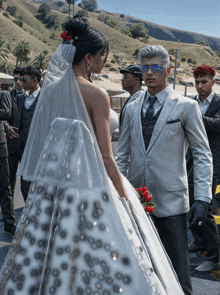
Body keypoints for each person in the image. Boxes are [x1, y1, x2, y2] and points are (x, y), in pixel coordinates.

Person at [0, 16, 184, 295]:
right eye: (103, 56)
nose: (103, 61)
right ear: (88, 58)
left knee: (51, 251)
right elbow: (106, 156)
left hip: (54, 188)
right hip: (89, 183)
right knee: (98, 251)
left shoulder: (49, 91)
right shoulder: (97, 95)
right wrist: (124, 195)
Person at [116, 45, 213, 295]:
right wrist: (117, 191)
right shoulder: (132, 106)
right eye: (145, 68)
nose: (149, 73)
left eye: (156, 68)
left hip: (171, 202)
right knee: (141, 269)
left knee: (179, 274)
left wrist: (202, 197)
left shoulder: (185, 106)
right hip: (136, 202)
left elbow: (202, 154)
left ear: (168, 70)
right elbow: (122, 153)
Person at [187, 65, 220, 273]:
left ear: (213, 82)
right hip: (191, 159)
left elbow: (217, 125)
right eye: (197, 82)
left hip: (213, 161)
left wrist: (191, 116)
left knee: (204, 205)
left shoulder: (217, 103)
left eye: (204, 82)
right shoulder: (191, 103)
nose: (200, 86)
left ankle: (214, 256)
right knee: (190, 200)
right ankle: (199, 240)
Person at [16, 66, 41, 202]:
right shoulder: (20, 98)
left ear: (35, 80)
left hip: (40, 148)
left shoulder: (45, 98)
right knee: (24, 184)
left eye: (24, 79)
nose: (21, 82)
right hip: (23, 148)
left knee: (39, 184)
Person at [5, 67, 25, 198]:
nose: (18, 82)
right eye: (15, 79)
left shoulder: (32, 97)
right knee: (8, 180)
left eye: (20, 79)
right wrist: (7, 126)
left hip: (25, 144)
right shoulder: (7, 96)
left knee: (26, 181)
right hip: (11, 143)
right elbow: (3, 117)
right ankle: (8, 216)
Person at [0, 90, 16, 237]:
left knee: (5, 188)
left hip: (0, 149)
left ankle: (9, 224)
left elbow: (6, 113)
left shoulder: (3, 94)